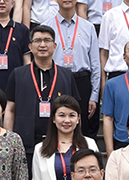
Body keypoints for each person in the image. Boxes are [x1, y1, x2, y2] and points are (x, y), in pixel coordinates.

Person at [6, 25, 76, 155]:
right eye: (37, 40)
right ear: (30, 47)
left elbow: (75, 111)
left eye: (47, 40)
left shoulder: (66, 75)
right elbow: (10, 109)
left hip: (59, 144)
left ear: (54, 46)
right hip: (25, 144)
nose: (42, 44)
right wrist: (9, 140)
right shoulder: (18, 74)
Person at [30, 96, 98, 180]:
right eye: (62, 115)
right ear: (53, 119)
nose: (67, 120)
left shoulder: (90, 145)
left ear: (78, 119)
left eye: (72, 115)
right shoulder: (40, 149)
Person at [48, 0, 102, 135]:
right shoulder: (46, 26)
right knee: (57, 127)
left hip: (82, 81)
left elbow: (95, 64)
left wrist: (94, 96)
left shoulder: (88, 27)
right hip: (56, 79)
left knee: (84, 129)